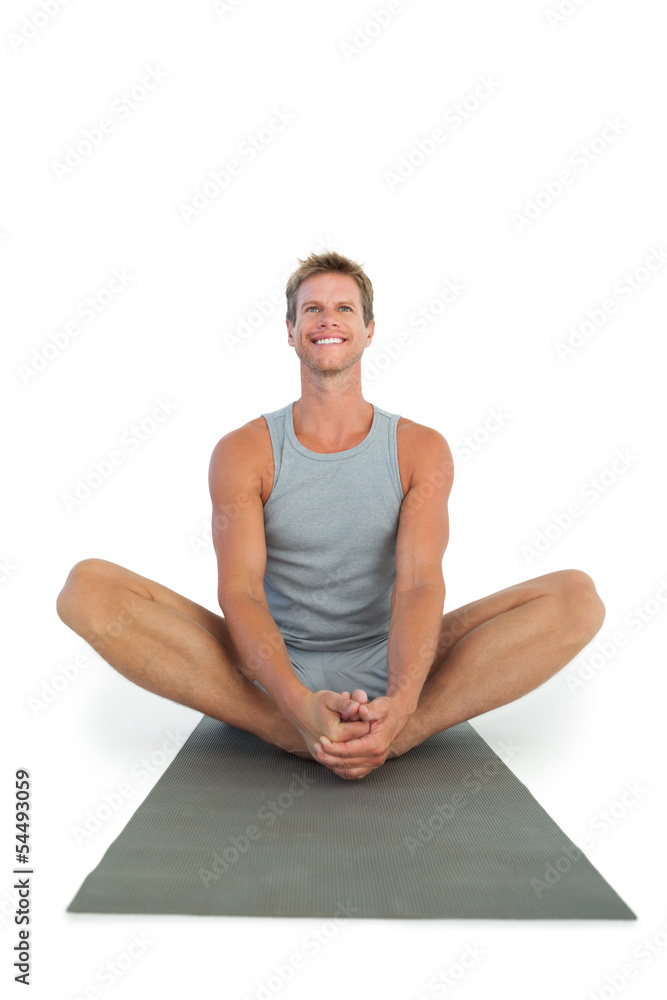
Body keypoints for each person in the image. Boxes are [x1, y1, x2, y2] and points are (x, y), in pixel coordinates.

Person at [56, 250, 606, 781]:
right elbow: (241, 593)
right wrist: (295, 705)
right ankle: (285, 731)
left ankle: (398, 734)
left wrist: (405, 701)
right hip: (271, 668)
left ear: (369, 330)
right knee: (87, 589)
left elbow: (418, 585)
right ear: (291, 331)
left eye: (344, 308)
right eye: (312, 308)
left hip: (388, 654)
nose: (328, 319)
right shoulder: (244, 450)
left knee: (576, 597)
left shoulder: (420, 448)